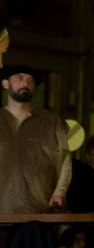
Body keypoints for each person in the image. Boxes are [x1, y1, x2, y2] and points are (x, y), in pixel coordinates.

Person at [0, 63, 71, 214]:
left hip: (38, 209)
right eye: (19, 78)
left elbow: (64, 160)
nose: (25, 83)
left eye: (30, 81)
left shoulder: (51, 121)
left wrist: (59, 192)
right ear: (5, 83)